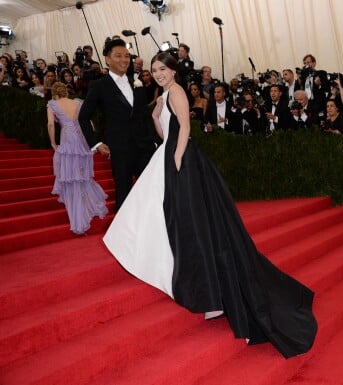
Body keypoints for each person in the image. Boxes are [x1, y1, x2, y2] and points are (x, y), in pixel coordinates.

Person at [103, 52, 317, 358]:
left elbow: (185, 131)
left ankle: (207, 288)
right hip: (168, 157)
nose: (159, 73)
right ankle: (191, 280)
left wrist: (176, 161)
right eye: (154, 70)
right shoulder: (165, 96)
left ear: (174, 70)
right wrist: (155, 116)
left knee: (191, 224)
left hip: (181, 162)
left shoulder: (176, 92)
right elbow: (166, 133)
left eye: (163, 68)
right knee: (167, 218)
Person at [79, 38, 157, 210]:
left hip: (145, 148)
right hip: (120, 150)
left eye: (127, 56)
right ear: (107, 59)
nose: (124, 60)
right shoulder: (99, 85)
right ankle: (124, 235)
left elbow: (144, 115)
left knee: (153, 190)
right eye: (119, 56)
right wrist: (96, 143)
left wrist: (153, 141)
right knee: (124, 193)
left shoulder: (137, 82)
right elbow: (83, 117)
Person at [47, 82, 108, 234]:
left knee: (70, 176)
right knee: (82, 175)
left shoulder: (52, 104)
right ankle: (86, 205)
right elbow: (90, 124)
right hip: (82, 139)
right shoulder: (77, 102)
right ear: (66, 92)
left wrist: (53, 143)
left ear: (54, 93)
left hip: (67, 139)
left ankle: (78, 212)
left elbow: (50, 124)